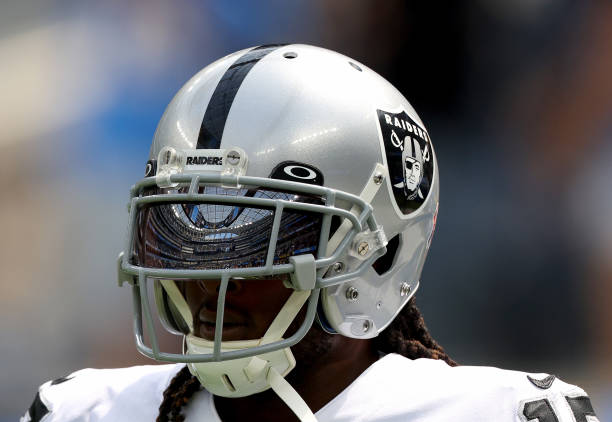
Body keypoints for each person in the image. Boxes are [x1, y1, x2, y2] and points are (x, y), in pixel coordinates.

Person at [21, 44, 599, 422]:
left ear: (375, 252)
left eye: (253, 244)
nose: (208, 283)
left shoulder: (502, 413)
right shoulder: (80, 411)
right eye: (181, 236)